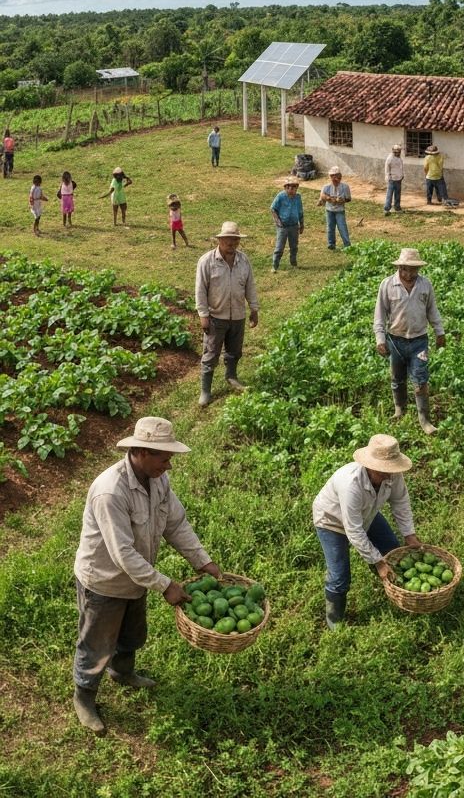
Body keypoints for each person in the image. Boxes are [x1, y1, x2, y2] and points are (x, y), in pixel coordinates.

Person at [71, 416, 222, 735]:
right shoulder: (110, 491)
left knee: (132, 633)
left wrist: (202, 561)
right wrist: (165, 585)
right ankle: (84, 697)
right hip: (104, 581)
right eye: (164, 457)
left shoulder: (158, 480)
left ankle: (122, 672)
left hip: (136, 580)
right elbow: (122, 553)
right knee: (97, 643)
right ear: (140, 451)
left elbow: (175, 524)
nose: (168, 465)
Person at [312, 433, 422, 628]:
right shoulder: (351, 485)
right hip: (331, 520)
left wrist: (409, 535)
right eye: (383, 471)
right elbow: (353, 530)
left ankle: (395, 588)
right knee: (340, 577)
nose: (388, 475)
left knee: (392, 550)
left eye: (391, 470)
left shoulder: (393, 474)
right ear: (369, 466)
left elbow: (400, 502)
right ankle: (334, 619)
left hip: (366, 513)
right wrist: (377, 562)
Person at [373, 247, 445, 435]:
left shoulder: (425, 285)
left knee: (420, 380)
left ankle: (424, 419)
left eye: (413, 270)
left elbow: (432, 310)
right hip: (395, 341)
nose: (409, 274)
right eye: (405, 269)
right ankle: (400, 409)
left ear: (418, 269)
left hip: (419, 342)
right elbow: (379, 315)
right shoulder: (387, 285)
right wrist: (380, 338)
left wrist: (440, 332)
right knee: (397, 379)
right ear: (399, 268)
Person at [194, 221, 260, 407]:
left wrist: (254, 308)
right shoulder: (207, 261)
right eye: (228, 241)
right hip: (216, 316)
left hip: (238, 315)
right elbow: (200, 289)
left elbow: (250, 285)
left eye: (235, 241)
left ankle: (231, 376)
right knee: (211, 353)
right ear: (220, 240)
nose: (232, 245)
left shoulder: (243, 260)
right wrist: (203, 314)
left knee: (235, 350)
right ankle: (205, 390)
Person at [270, 176, 304, 271]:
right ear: (285, 187)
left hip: (294, 226)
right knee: (279, 247)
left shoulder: (298, 197)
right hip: (283, 226)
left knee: (294, 246)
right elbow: (273, 208)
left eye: (294, 187)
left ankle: (293, 263)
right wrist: (278, 222)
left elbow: (300, 211)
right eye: (289, 187)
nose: (292, 189)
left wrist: (301, 224)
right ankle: (275, 265)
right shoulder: (280, 196)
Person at [318, 165, 352, 250]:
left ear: (340, 177)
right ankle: (331, 243)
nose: (335, 179)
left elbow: (348, 198)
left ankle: (347, 244)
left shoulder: (345, 187)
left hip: (340, 210)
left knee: (342, 227)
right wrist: (329, 198)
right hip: (330, 210)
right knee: (330, 227)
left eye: (337, 176)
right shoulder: (326, 187)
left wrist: (342, 200)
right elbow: (322, 196)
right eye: (332, 176)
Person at [384, 143, 404, 215]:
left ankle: (397, 207)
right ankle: (386, 209)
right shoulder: (390, 158)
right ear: (393, 151)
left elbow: (400, 167)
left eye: (399, 152)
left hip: (399, 179)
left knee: (398, 194)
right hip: (392, 179)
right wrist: (388, 178)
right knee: (389, 194)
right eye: (396, 152)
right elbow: (387, 170)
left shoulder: (399, 158)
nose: (398, 153)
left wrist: (402, 175)